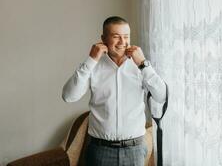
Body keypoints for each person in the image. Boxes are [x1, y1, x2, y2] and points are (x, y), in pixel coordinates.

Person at [62, 16, 167, 166]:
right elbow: (68, 96)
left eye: (126, 37)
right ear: (103, 39)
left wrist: (144, 65)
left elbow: (162, 96)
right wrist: (91, 60)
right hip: (99, 151)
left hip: (134, 151)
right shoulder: (93, 66)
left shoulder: (140, 66)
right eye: (116, 37)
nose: (122, 42)